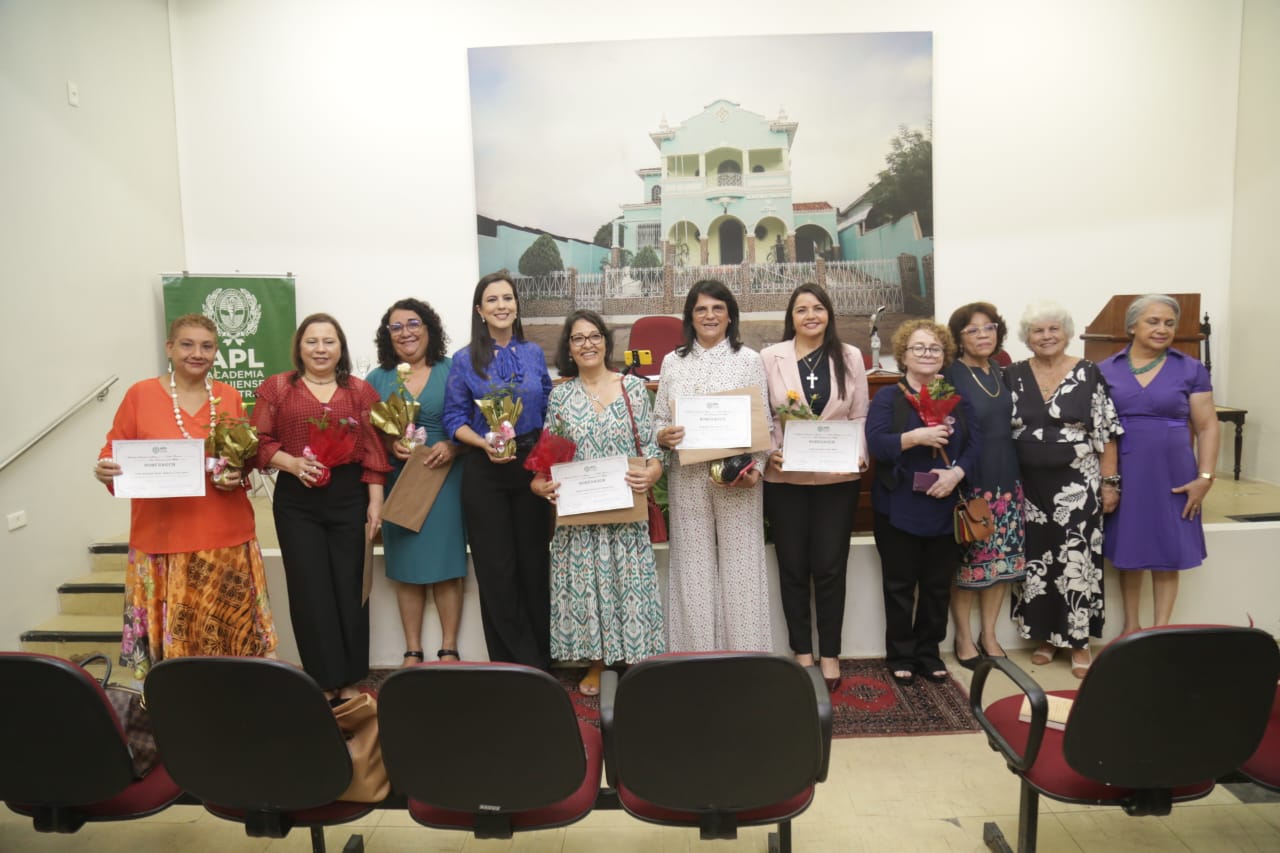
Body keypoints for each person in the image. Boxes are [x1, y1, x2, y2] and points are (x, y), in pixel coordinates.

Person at [95, 314, 277, 682]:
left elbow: (240, 460)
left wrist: (237, 474)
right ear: (170, 348)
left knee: (229, 647)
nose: (198, 353)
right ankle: (173, 708)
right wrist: (105, 469)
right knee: (171, 666)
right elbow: (112, 451)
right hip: (161, 539)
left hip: (225, 537)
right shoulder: (140, 395)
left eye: (207, 346)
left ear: (216, 352)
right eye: (188, 344)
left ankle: (230, 705)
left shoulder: (228, 396)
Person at [252, 313, 389, 700]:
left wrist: (375, 502)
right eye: (312, 341)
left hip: (349, 495)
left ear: (341, 347)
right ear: (299, 347)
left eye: (329, 341)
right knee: (309, 588)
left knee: (350, 585)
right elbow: (258, 441)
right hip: (298, 497)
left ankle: (349, 678)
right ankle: (323, 679)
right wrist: (291, 464)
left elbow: (375, 452)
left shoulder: (360, 391)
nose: (320, 349)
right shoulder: (277, 388)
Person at [531, 310, 665, 695]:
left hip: (626, 509)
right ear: (569, 349)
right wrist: (540, 487)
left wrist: (653, 472)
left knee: (630, 583)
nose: (587, 343)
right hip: (580, 516)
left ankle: (635, 662)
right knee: (589, 586)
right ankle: (597, 662)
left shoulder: (633, 389)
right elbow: (544, 464)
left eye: (594, 336)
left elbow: (655, 452)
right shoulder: (560, 396)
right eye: (578, 338)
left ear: (606, 342)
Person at [654, 279, 772, 652]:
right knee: (692, 567)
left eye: (717, 308)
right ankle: (696, 654)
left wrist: (756, 470)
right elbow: (657, 420)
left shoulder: (749, 360)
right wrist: (663, 436)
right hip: (688, 478)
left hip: (738, 479)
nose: (709, 315)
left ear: (730, 315)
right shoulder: (673, 363)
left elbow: (764, 424)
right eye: (701, 309)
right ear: (690, 316)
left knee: (742, 566)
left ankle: (746, 656)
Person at [761, 283, 869, 690]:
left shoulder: (849, 356)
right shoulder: (770, 357)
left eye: (818, 308)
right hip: (785, 478)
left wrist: (859, 452)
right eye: (801, 309)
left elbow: (858, 415)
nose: (810, 315)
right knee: (792, 567)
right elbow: (766, 414)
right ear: (791, 317)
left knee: (829, 567)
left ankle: (830, 654)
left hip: (837, 479)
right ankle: (801, 653)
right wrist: (770, 451)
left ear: (829, 314)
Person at [443, 271, 553, 669]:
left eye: (508, 298)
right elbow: (454, 419)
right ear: (480, 310)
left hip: (530, 470)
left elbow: (548, 410)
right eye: (492, 300)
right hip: (484, 471)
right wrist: (484, 442)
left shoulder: (534, 353)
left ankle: (542, 661)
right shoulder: (464, 359)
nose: (502, 305)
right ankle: (510, 664)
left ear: (516, 306)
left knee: (533, 563)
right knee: (496, 569)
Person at [1007, 301, 1122, 679]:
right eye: (1038, 331)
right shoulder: (1014, 374)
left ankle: (1078, 641)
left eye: (1053, 329)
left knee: (1077, 559)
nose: (1046, 336)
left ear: (1066, 333)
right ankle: (1044, 637)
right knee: (1038, 561)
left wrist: (1109, 483)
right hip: (1028, 487)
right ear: (1027, 338)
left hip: (1078, 482)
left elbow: (1105, 432)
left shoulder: (1088, 373)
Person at [866, 319, 979, 685]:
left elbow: (977, 447)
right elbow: (878, 445)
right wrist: (916, 436)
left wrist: (956, 474)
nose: (927, 354)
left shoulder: (955, 397)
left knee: (936, 587)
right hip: (898, 506)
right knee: (899, 586)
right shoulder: (889, 397)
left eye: (934, 348)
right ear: (903, 355)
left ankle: (928, 653)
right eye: (919, 348)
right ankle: (900, 654)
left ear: (944, 355)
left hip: (944, 504)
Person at [1098, 294, 1219, 633]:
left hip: (1174, 472)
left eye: (1169, 323)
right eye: (1153, 321)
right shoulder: (1106, 370)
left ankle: (1160, 632)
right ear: (1132, 326)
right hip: (1126, 469)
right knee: (1129, 549)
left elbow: (1208, 426)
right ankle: (1131, 629)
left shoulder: (1190, 367)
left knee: (1168, 550)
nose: (1162, 329)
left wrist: (1205, 477)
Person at [367, 298, 466, 665]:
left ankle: (449, 647)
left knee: (446, 563)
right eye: (396, 327)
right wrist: (390, 443)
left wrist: (453, 446)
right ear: (387, 335)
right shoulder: (378, 379)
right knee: (406, 564)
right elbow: (368, 437)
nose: (406, 332)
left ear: (429, 329)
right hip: (401, 480)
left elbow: (473, 423)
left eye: (413, 323)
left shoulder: (454, 369)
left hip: (445, 478)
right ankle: (411, 649)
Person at [943, 303, 1026, 668]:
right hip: (970, 480)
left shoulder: (1002, 372)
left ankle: (988, 634)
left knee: (1002, 564)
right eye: (973, 330)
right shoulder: (948, 374)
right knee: (967, 565)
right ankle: (963, 636)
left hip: (1008, 478)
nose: (983, 335)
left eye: (988, 328)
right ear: (958, 339)